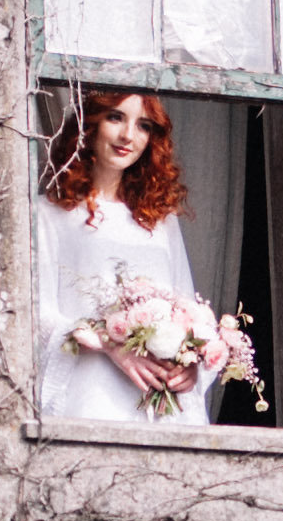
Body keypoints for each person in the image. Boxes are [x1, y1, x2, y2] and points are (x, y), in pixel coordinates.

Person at [36, 87, 217, 427]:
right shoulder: (49, 214)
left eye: (144, 125)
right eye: (115, 118)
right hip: (91, 396)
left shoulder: (160, 222)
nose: (127, 136)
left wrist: (189, 364)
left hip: (159, 402)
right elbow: (37, 316)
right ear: (90, 124)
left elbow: (185, 304)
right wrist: (108, 344)